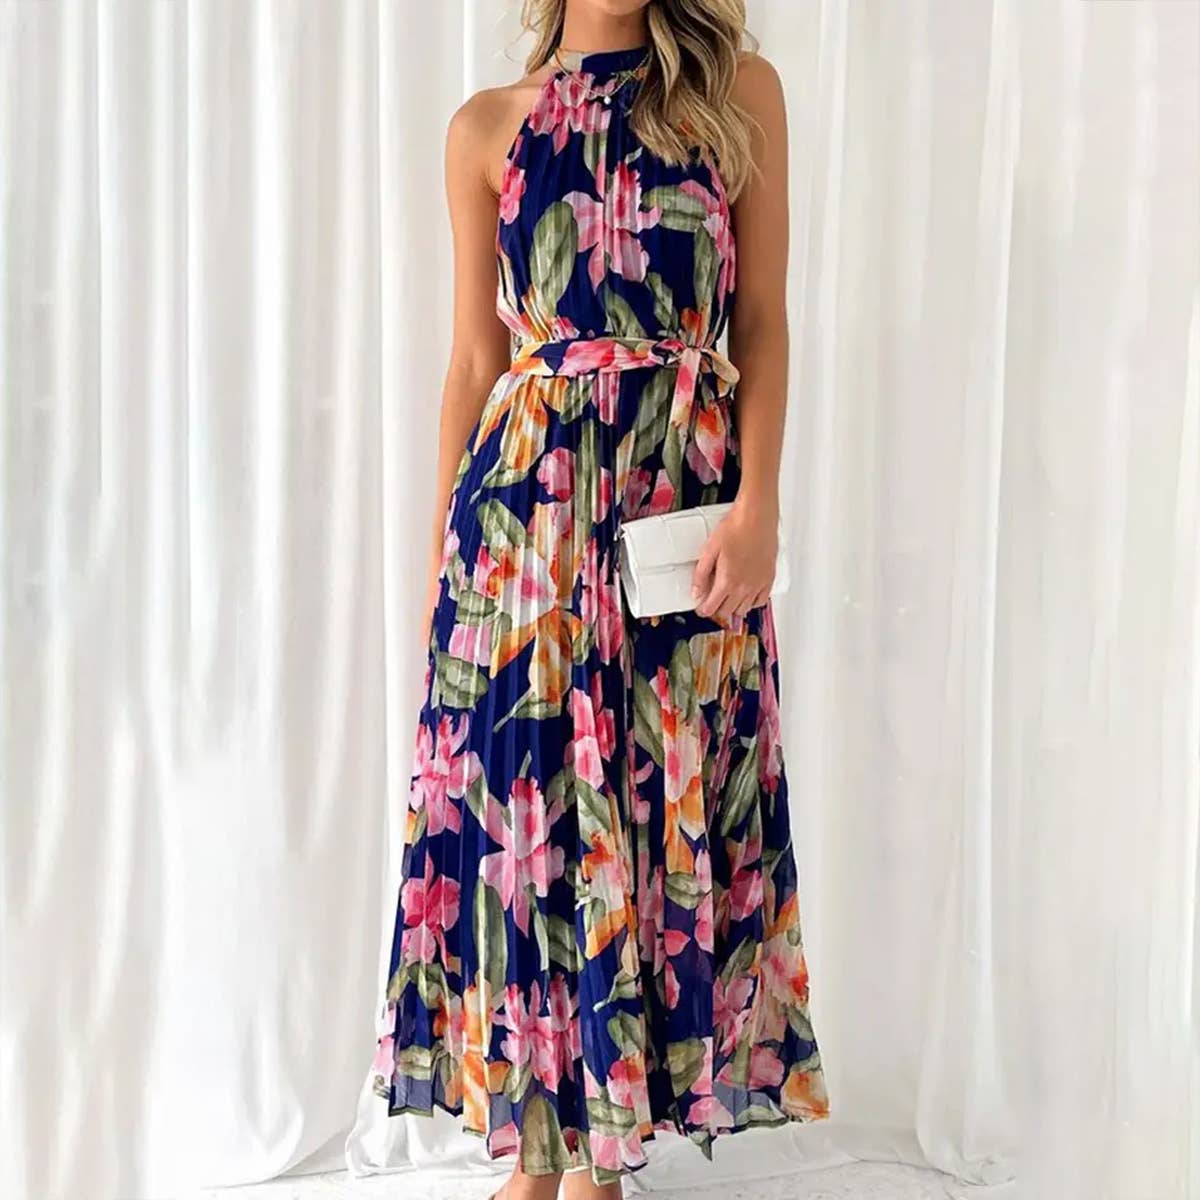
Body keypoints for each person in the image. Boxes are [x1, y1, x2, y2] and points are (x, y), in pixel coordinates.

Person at [370, 2, 830, 1197]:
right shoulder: (485, 128)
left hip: (680, 521)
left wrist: (761, 503)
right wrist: (442, 561)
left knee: (648, 798)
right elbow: (475, 363)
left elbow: (762, 323)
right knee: (533, 825)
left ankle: (598, 1160)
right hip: (521, 533)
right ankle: (546, 1151)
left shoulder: (736, 96)